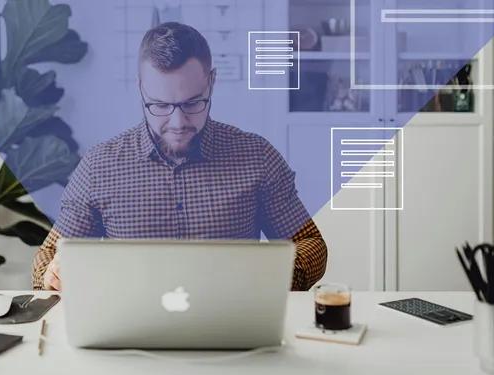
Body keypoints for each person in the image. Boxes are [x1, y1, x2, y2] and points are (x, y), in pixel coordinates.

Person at [31, 22, 327, 291]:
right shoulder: (100, 166)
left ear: (211, 82)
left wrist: (275, 274)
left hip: (233, 328)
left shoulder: (256, 157)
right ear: (140, 88)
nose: (177, 123)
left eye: (192, 103)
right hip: (128, 336)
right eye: (159, 105)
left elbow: (311, 244)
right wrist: (53, 273)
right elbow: (48, 256)